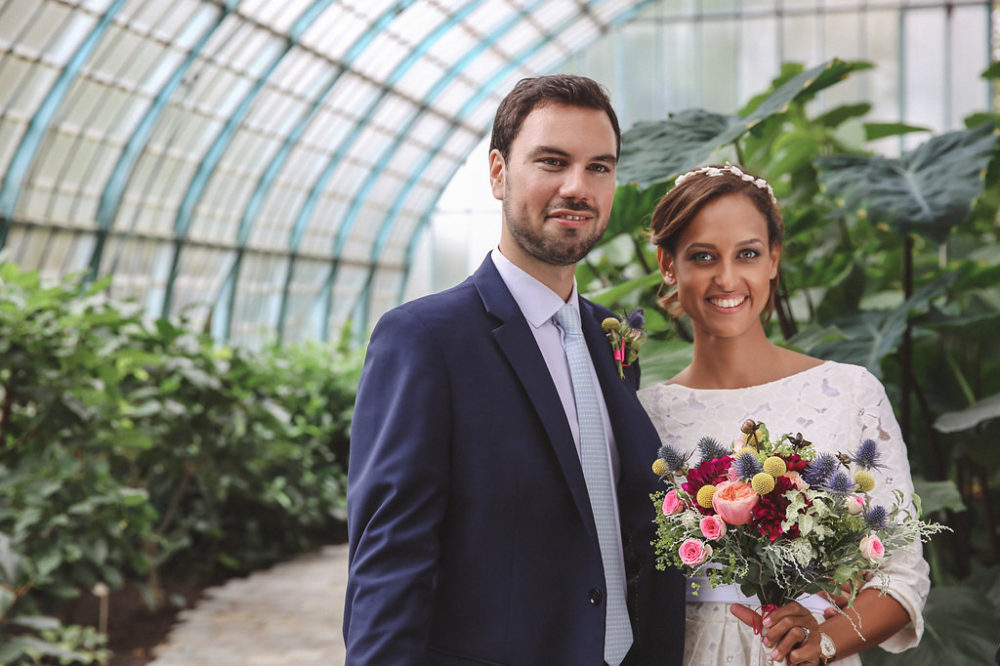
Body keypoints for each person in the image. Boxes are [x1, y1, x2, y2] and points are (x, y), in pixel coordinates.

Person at [343, 74, 686, 665]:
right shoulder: (425, 340)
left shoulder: (613, 338)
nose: (577, 187)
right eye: (552, 162)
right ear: (499, 173)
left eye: (599, 167)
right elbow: (389, 563)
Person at [637, 164, 930, 665]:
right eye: (703, 256)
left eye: (747, 254)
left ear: (773, 259)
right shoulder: (642, 414)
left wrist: (825, 638)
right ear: (668, 264)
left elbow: (901, 577)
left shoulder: (848, 391)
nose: (727, 278)